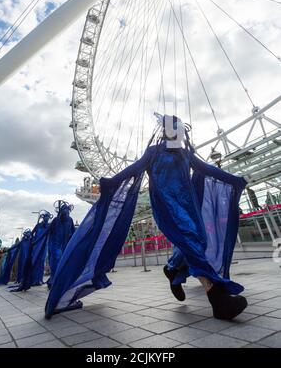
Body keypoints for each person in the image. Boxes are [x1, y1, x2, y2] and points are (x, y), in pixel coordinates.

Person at [44, 114, 247, 320]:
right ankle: (218, 300)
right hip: (167, 207)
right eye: (174, 129)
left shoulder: (186, 154)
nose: (178, 133)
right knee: (192, 243)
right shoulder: (154, 152)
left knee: (198, 242)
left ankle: (173, 269)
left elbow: (206, 168)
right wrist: (111, 182)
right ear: (166, 131)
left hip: (188, 206)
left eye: (180, 130)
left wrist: (235, 180)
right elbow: (134, 169)